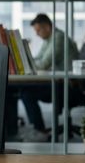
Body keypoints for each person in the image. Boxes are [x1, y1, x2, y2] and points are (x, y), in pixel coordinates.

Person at [20, 13, 79, 142]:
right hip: (60, 81)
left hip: (68, 85)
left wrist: (24, 64)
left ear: (47, 26)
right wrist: (27, 61)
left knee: (27, 93)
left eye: (38, 30)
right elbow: (38, 59)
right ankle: (39, 128)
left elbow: (44, 64)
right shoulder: (50, 39)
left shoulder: (58, 38)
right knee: (26, 90)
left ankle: (40, 130)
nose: (36, 34)